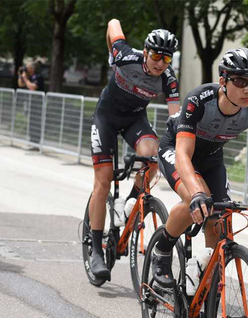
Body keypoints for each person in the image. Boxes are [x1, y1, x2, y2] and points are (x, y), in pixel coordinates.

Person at [153, 48, 248, 288]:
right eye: (240, 81)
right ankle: (163, 249)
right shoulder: (199, 99)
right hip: (177, 150)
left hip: (211, 158)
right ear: (223, 81)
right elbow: (183, 154)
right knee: (197, 199)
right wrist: (198, 194)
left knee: (219, 220)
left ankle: (206, 287)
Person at [89, 19, 181, 280]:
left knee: (151, 156)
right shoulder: (125, 56)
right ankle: (96, 250)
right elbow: (114, 22)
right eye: (155, 56)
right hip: (106, 118)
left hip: (134, 121)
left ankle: (130, 202)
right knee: (103, 182)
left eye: (166, 58)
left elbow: (176, 120)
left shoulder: (168, 79)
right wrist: (111, 52)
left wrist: (176, 149)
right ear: (145, 51)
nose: (160, 63)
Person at [17, 62, 45, 149]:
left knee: (36, 123)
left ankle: (36, 144)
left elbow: (32, 87)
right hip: (31, 103)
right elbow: (20, 84)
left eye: (27, 67)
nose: (26, 69)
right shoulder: (29, 77)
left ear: (32, 69)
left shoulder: (38, 77)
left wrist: (25, 79)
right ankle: (32, 142)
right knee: (31, 123)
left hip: (37, 104)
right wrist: (20, 75)